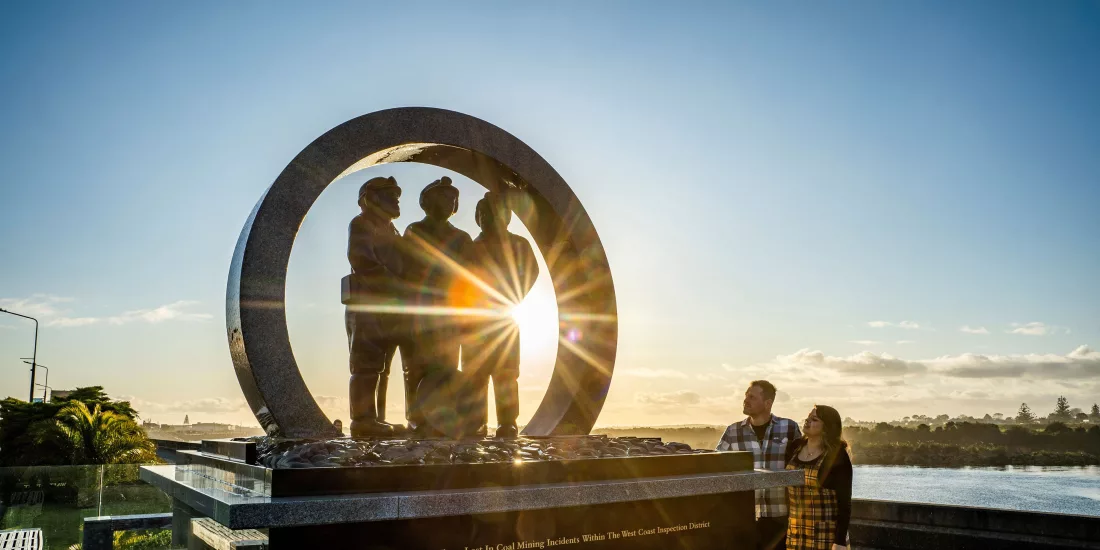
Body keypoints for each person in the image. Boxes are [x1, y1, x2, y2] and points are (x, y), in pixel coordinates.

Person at [401, 176, 474, 436]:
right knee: (415, 368)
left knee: (447, 369)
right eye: (443, 197)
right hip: (419, 312)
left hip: (450, 316)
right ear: (427, 202)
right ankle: (417, 420)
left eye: (452, 199)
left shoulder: (462, 238)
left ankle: (444, 421)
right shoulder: (414, 231)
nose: (449, 202)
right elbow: (405, 269)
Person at [464, 191, 539, 438]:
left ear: (506, 217)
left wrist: (514, 295)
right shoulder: (471, 247)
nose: (488, 218)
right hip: (475, 322)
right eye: (483, 214)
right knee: (475, 374)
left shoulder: (519, 244)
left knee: (507, 374)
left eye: (494, 214)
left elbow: (532, 270)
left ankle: (508, 422)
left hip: (505, 319)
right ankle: (475, 422)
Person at [345, 176, 406, 437]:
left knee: (383, 365)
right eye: (389, 195)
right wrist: (396, 286)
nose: (395, 200)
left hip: (389, 306)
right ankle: (362, 420)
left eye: (396, 196)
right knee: (366, 364)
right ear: (371, 198)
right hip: (367, 304)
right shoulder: (361, 223)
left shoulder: (392, 230)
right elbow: (361, 259)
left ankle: (377, 419)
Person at [717, 380, 802, 550]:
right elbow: (716, 468)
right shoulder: (732, 431)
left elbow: (800, 467)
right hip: (744, 518)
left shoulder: (789, 428)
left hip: (781, 516)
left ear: (768, 403)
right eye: (746, 396)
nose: (746, 400)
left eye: (752, 397)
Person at [784, 405, 852, 550]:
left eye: (814, 419)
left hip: (825, 534)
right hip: (796, 531)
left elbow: (844, 503)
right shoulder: (794, 448)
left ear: (827, 427)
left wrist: (839, 541)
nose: (807, 421)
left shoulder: (837, 455)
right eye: (808, 417)